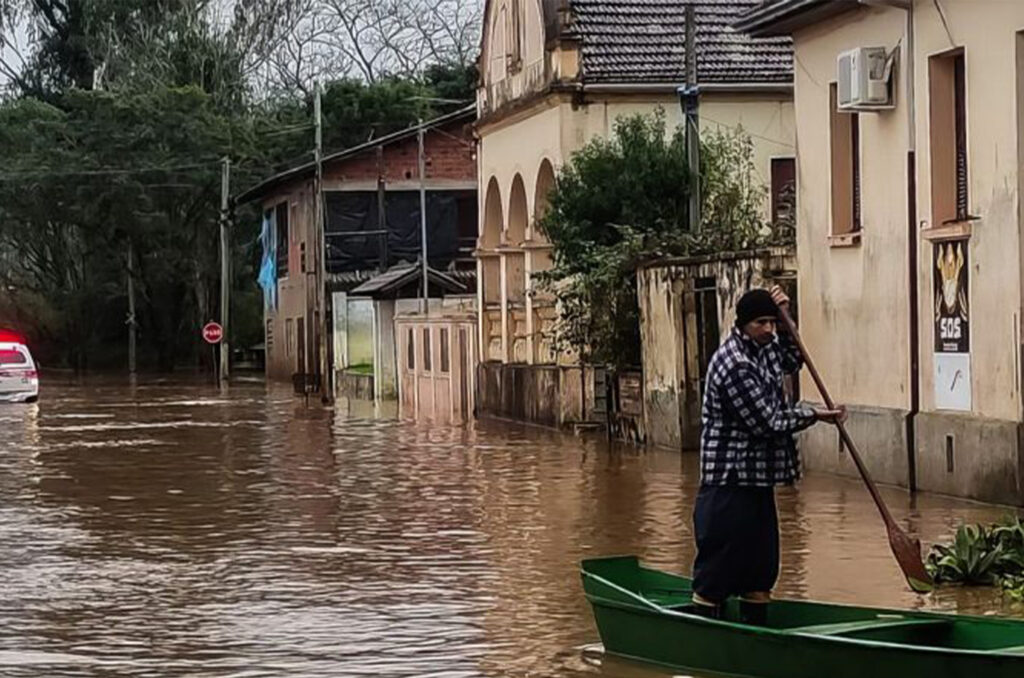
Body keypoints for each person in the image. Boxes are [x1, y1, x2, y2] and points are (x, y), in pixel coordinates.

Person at [691, 285, 846, 624]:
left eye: (771, 323)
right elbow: (767, 422)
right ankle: (705, 631)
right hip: (728, 481)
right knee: (717, 570)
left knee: (761, 570)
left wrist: (788, 318)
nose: (768, 329)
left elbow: (794, 358)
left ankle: (756, 633)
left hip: (759, 479)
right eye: (761, 323)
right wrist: (816, 415)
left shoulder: (768, 345)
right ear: (744, 324)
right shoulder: (734, 364)